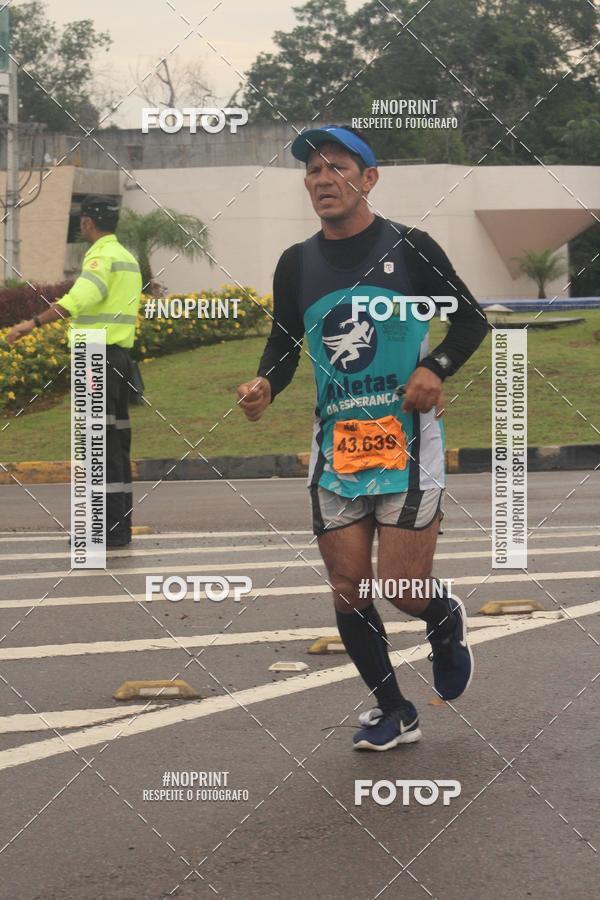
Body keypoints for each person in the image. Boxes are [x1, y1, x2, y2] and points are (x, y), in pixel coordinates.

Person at [237, 125, 488, 751]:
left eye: (336, 168)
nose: (322, 180)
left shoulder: (411, 248)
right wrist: (266, 383)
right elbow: (285, 343)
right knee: (348, 588)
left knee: (402, 590)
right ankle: (394, 709)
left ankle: (442, 616)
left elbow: (470, 321)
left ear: (368, 179)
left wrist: (436, 368)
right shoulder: (298, 262)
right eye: (312, 171)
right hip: (338, 450)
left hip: (408, 444)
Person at [7, 195, 142, 549]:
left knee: (95, 448)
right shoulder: (127, 258)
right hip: (120, 360)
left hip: (96, 357)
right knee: (115, 446)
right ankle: (117, 529)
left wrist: (31, 324)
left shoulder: (100, 256)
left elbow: (78, 299)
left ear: (87, 224)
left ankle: (100, 531)